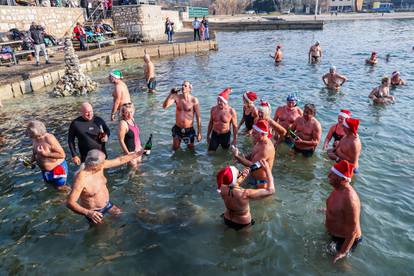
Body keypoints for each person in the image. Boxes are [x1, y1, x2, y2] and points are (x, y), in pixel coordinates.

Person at [67, 149, 145, 225]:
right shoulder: (81, 179)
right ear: (95, 166)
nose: (104, 163)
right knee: (105, 232)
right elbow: (70, 203)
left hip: (107, 204)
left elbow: (120, 160)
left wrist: (137, 154)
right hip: (94, 213)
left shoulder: (99, 166)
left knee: (122, 219)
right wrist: (88, 213)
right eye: (102, 162)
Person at [217, 160, 275, 231]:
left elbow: (232, 185)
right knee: (243, 240)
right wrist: (267, 170)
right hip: (242, 223)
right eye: (239, 172)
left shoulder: (221, 188)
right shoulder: (245, 193)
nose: (241, 173)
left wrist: (240, 177)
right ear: (236, 178)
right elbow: (271, 191)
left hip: (226, 218)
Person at [325, 160, 362, 263]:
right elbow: (339, 208)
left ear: (342, 179)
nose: (328, 175)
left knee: (339, 265)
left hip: (345, 240)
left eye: (332, 175)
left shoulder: (350, 199)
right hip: (334, 234)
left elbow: (353, 232)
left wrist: (342, 252)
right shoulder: (338, 188)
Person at [27, 120, 69, 191]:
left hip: (57, 169)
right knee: (51, 187)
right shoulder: (35, 139)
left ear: (36, 131)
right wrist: (30, 162)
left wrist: (46, 154)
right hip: (45, 171)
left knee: (61, 188)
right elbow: (34, 152)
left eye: (29, 132)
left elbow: (62, 155)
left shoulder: (49, 138)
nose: (28, 134)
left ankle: (73, 198)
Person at [232, 120, 275, 188]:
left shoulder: (266, 148)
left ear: (263, 134)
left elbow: (254, 166)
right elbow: (253, 154)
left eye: (255, 133)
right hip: (251, 176)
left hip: (261, 182)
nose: (252, 134)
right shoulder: (259, 141)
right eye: (253, 131)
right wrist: (243, 158)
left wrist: (237, 156)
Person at [162, 80, 202, 151]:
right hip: (178, 128)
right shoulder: (177, 97)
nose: (183, 87)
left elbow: (198, 117)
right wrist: (170, 94)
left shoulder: (194, 100)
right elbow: (164, 106)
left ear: (189, 89)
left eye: (185, 86)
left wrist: (199, 132)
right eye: (182, 85)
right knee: (175, 149)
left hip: (189, 130)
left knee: (191, 150)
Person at [118, 103, 142, 168]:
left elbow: (136, 135)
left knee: (139, 169)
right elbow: (121, 140)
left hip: (138, 149)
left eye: (131, 112)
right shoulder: (123, 123)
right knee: (134, 172)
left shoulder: (132, 119)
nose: (129, 114)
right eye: (127, 112)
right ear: (123, 113)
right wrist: (127, 154)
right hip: (130, 152)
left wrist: (140, 147)